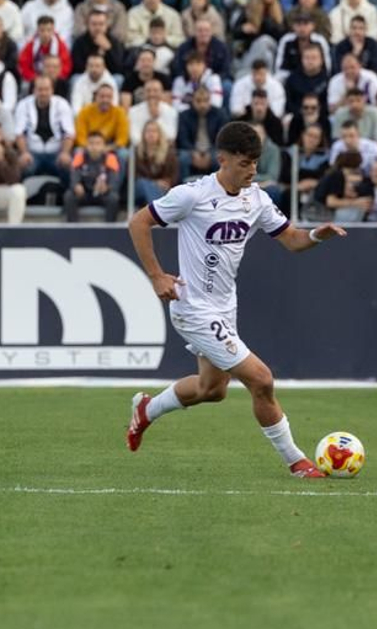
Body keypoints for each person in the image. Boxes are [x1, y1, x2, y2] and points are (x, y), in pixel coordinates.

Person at [125, 121, 346, 477]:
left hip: (225, 307)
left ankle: (146, 410)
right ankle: (297, 461)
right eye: (245, 163)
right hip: (193, 308)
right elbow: (138, 223)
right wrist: (156, 275)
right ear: (222, 160)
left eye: (256, 163)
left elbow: (291, 239)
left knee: (212, 390)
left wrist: (317, 236)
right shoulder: (192, 195)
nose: (252, 170)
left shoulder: (256, 199)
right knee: (261, 379)